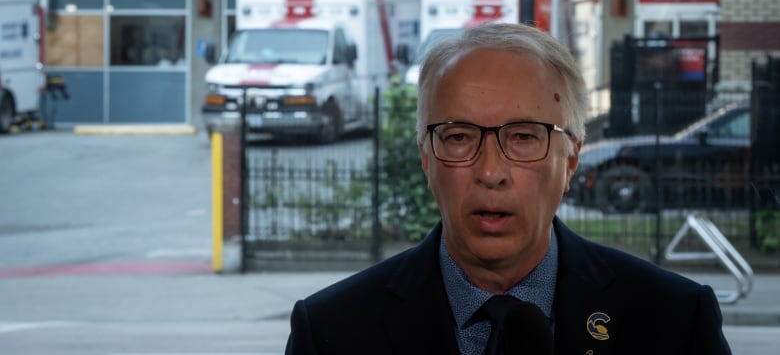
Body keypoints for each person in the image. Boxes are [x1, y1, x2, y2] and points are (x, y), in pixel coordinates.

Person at [285, 22, 732, 354]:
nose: (491, 171)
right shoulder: (330, 331)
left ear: (571, 159)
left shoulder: (674, 320)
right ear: (426, 158)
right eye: (459, 136)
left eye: (523, 137)